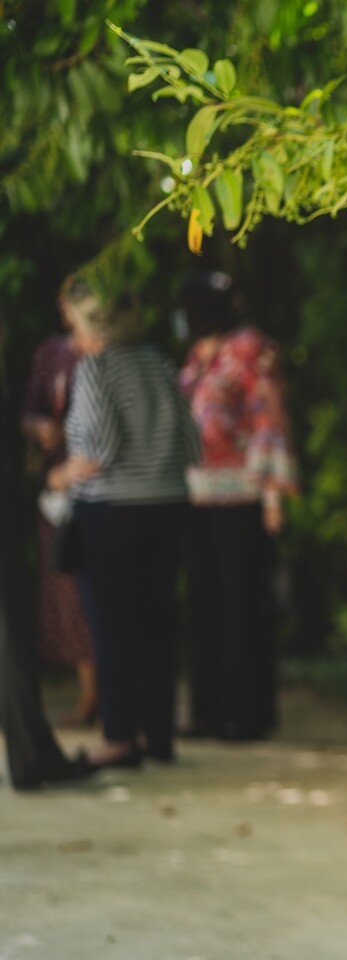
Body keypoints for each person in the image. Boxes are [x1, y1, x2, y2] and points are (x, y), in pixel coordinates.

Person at [47, 278, 199, 768]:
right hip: (169, 505)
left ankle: (118, 736)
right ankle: (158, 737)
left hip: (111, 512)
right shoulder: (158, 361)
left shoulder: (97, 368)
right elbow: (192, 444)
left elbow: (99, 451)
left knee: (111, 626)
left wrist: (58, 475)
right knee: (157, 622)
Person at [177, 271, 297, 740]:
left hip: (244, 495)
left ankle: (247, 716)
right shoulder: (196, 355)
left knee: (242, 605)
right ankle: (207, 712)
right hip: (196, 495)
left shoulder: (252, 349)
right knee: (204, 605)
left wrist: (273, 497)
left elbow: (270, 420)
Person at [20, 287, 96, 726]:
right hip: (56, 492)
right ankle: (88, 690)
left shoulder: (108, 356)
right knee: (64, 590)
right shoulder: (50, 353)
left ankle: (104, 692)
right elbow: (27, 409)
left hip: (94, 482)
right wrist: (41, 431)